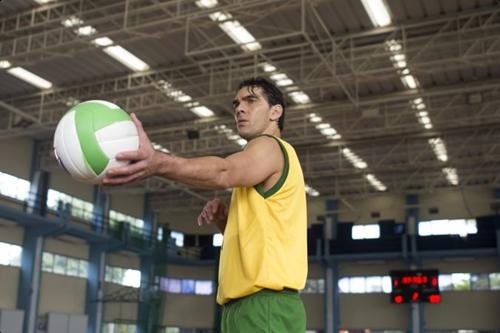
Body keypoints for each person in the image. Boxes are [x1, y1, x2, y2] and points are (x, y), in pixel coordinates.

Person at [103, 77, 308, 332]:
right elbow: (260, 241)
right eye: (236, 103)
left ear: (276, 112)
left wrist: (159, 162)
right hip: (244, 307)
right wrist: (225, 221)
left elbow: (223, 171)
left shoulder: (270, 147)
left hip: (264, 306)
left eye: (251, 100)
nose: (240, 108)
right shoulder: (259, 165)